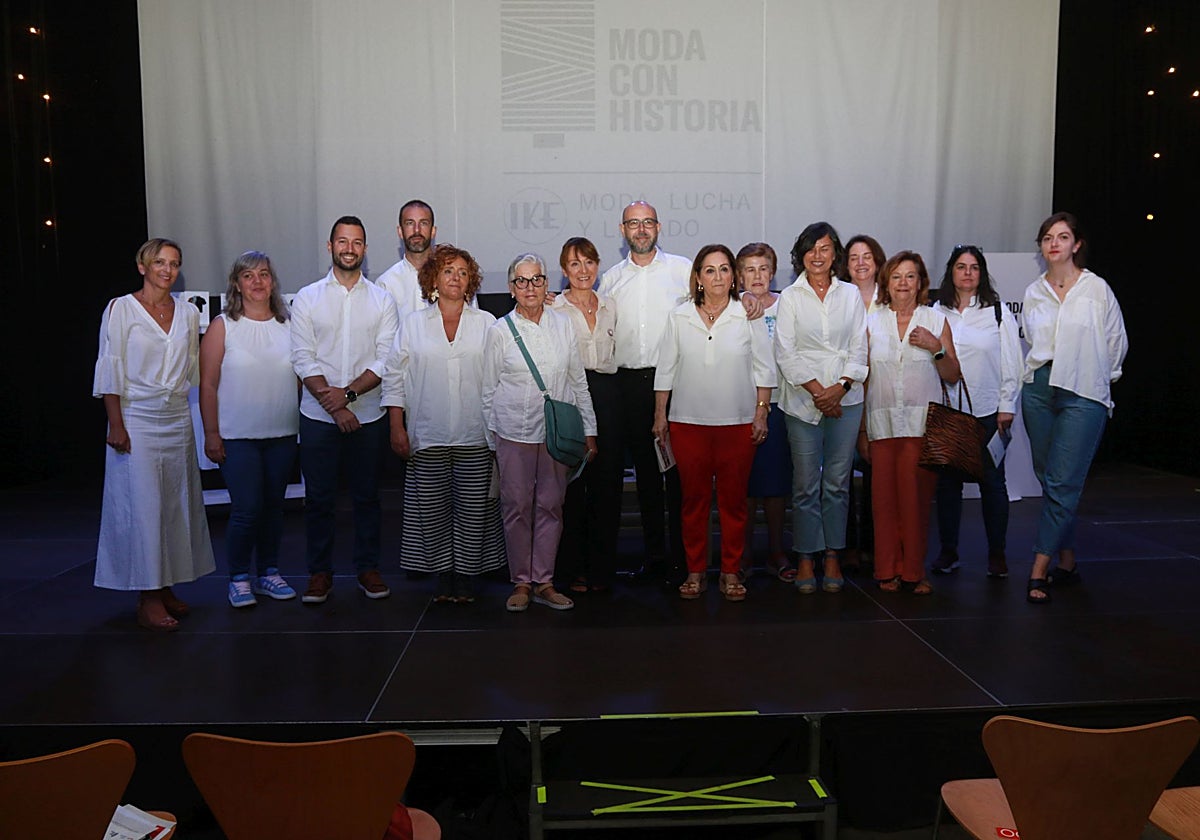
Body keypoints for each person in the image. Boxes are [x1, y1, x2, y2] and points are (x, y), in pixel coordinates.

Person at [598, 201, 762, 583]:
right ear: (622, 230)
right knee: (645, 476)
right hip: (628, 386)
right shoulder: (610, 279)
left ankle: (684, 565)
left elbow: (719, 300)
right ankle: (655, 558)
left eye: (648, 223)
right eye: (633, 224)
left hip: (675, 385)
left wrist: (750, 297)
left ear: (659, 227)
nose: (641, 230)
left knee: (680, 481)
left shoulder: (681, 270)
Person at [93, 238, 215, 631]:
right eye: (159, 262)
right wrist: (116, 424)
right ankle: (146, 597)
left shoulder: (187, 313)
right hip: (137, 417)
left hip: (176, 417)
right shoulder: (120, 309)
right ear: (142, 266)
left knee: (175, 505)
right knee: (143, 507)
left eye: (175, 263)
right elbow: (110, 367)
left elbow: (191, 367)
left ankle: (165, 587)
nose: (168, 270)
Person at [381, 244, 505, 604]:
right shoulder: (413, 324)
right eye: (448, 270)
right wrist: (396, 427)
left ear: (472, 282)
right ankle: (443, 576)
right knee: (432, 512)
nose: (456, 278)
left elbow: (497, 381)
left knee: (473, 512)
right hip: (427, 433)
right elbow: (393, 378)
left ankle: (465, 578)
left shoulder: (487, 325)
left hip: (475, 435)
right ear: (433, 277)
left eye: (463, 272)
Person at [652, 244, 776, 602]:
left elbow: (764, 367)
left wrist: (761, 410)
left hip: (737, 424)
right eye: (710, 270)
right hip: (687, 423)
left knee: (734, 503)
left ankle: (730, 572)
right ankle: (695, 571)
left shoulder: (747, 314)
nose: (718, 277)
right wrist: (661, 415)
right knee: (693, 502)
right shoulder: (679, 316)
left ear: (733, 276)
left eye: (724, 269)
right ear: (698, 278)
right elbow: (666, 368)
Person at [290, 216, 399, 604]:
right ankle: (320, 574)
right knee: (318, 500)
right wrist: (335, 406)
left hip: (368, 415)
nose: (349, 248)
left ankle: (368, 569)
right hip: (319, 417)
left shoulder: (383, 300)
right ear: (330, 246)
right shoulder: (306, 298)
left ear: (365, 249)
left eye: (356, 242)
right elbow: (302, 358)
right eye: (342, 241)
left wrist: (348, 397)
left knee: (367, 499)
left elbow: (387, 359)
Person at [1021, 212, 1127, 604]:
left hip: (1083, 391)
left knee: (1064, 482)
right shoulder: (1034, 291)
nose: (1054, 244)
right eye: (1047, 237)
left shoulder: (1096, 289)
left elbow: (1116, 342)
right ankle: (1067, 559)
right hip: (1039, 389)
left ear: (1076, 244)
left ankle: (1038, 568)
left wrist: (1100, 378)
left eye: (1062, 237)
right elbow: (1034, 340)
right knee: (1050, 478)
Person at [483, 253, 598, 612]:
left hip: (556, 436)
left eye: (536, 280)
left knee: (551, 506)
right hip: (513, 433)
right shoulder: (499, 331)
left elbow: (578, 380)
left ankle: (545, 581)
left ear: (547, 284)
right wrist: (494, 441)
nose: (529, 287)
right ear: (511, 288)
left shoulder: (563, 325)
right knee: (516, 507)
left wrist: (589, 429)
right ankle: (521, 581)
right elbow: (487, 390)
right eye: (522, 281)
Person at [199, 251, 299, 608]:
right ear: (236, 284)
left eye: (264, 274)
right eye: (248, 275)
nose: (257, 281)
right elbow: (208, 385)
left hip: (282, 434)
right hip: (237, 437)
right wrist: (212, 433)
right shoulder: (222, 325)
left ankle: (268, 573)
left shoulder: (290, 325)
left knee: (274, 508)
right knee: (246, 509)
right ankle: (239, 577)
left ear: (273, 282)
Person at [859, 250, 961, 594]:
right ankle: (886, 569)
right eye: (897, 276)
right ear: (886, 282)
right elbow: (865, 377)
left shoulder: (934, 321)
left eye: (911, 276)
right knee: (883, 502)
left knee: (916, 502)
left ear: (921, 283)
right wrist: (861, 430)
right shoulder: (871, 322)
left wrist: (936, 347)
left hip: (921, 425)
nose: (903, 283)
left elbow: (952, 375)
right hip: (881, 423)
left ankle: (914, 571)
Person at [775, 223, 868, 594]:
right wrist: (818, 392)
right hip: (802, 401)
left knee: (837, 483)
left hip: (847, 399)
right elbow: (785, 352)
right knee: (804, 483)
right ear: (802, 254)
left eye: (825, 248)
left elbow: (860, 346)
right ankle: (806, 557)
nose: (818, 255)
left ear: (835, 255)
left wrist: (840, 388)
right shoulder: (791, 297)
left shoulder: (850, 295)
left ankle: (832, 553)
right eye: (811, 249)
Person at [929, 245, 1023, 579]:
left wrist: (1006, 406)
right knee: (948, 486)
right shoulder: (935, 310)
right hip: (948, 411)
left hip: (988, 411)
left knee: (993, 485)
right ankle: (948, 552)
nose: (967, 272)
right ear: (950, 272)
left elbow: (1013, 360)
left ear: (981, 273)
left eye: (974, 267)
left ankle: (997, 555)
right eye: (960, 266)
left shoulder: (997, 311)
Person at [550, 237, 621, 594]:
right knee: (573, 489)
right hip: (571, 398)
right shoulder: (554, 309)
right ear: (564, 270)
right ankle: (573, 569)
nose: (583, 271)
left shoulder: (611, 305)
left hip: (609, 396)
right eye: (575, 264)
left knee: (608, 487)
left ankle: (603, 570)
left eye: (589, 262)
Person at [736, 242, 795, 582]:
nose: (757, 276)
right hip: (742, 407)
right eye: (749, 269)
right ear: (739, 275)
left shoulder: (788, 305)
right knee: (744, 485)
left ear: (772, 273)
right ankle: (742, 554)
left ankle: (776, 551)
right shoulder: (731, 307)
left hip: (780, 405)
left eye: (763, 269)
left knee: (775, 485)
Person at [842, 234, 887, 572]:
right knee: (842, 476)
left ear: (878, 261)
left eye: (866, 256)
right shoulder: (839, 299)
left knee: (877, 476)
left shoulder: (892, 299)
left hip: (885, 398)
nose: (860, 262)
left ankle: (874, 543)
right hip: (847, 396)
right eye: (854, 257)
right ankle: (848, 545)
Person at [375, 200, 438, 323]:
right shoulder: (385, 284)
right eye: (410, 223)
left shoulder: (452, 278)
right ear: (400, 231)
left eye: (423, 223)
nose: (416, 230)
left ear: (433, 231)